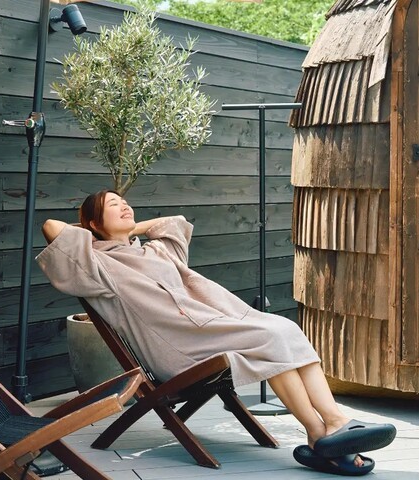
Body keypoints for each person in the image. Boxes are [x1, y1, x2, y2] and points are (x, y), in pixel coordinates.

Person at [36, 189, 395, 475]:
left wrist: (131, 228)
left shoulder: (155, 252)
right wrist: (97, 235)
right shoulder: (96, 264)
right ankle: (328, 428)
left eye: (125, 201)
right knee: (270, 336)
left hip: (207, 332)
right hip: (178, 349)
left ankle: (325, 430)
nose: (124, 206)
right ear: (93, 223)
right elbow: (52, 227)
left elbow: (174, 223)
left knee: (282, 329)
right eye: (113, 205)